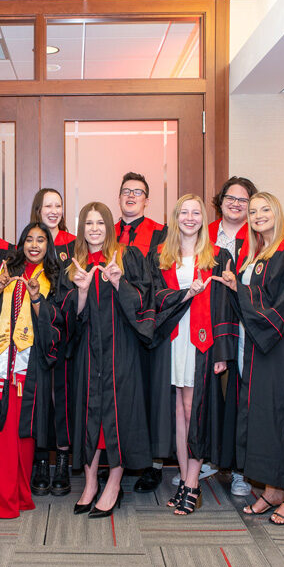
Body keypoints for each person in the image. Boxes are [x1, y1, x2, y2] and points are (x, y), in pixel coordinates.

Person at [214, 192, 284, 525]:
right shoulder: (253, 255)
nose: (257, 215)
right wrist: (233, 283)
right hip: (253, 349)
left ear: (277, 212)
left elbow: (282, 305)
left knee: (282, 422)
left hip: (281, 349)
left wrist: (237, 288)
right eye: (253, 211)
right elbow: (246, 302)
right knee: (261, 421)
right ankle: (272, 489)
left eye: (265, 209)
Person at [61, 201, 154, 519]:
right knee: (89, 415)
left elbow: (145, 301)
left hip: (121, 350)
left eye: (100, 223)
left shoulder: (129, 257)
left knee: (118, 415)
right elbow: (65, 318)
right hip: (88, 351)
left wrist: (118, 281)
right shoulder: (74, 265)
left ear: (110, 226)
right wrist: (83, 291)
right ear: (81, 228)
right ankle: (89, 484)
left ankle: (114, 483)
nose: (95, 229)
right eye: (88, 223)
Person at [0, 222, 62, 518]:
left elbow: (59, 321)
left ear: (49, 245)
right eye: (29, 239)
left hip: (30, 367)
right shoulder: (4, 268)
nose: (34, 245)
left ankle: (19, 493)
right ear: (21, 243)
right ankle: (1, 499)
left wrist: (35, 299)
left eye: (41, 240)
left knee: (23, 434)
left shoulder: (55, 278)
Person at [148, 195, 234, 515]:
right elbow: (155, 298)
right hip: (171, 340)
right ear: (175, 217)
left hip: (201, 343)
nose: (190, 217)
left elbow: (226, 306)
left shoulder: (218, 256)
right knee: (178, 412)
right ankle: (184, 479)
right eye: (184, 212)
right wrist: (186, 293)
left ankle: (193, 483)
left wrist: (223, 351)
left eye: (196, 212)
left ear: (203, 218)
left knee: (193, 409)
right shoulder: (161, 257)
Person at [114, 172, 168, 493]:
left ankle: (152, 464)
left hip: (149, 324)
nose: (131, 196)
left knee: (150, 393)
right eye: (126, 191)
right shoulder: (108, 232)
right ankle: (119, 459)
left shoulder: (161, 234)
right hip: (116, 324)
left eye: (138, 192)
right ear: (118, 198)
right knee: (121, 394)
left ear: (147, 200)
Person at [208, 176, 257, 497]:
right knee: (206, 399)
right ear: (220, 200)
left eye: (243, 200)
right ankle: (210, 459)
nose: (236, 204)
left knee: (240, 399)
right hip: (204, 325)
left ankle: (242, 469)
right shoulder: (204, 232)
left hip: (243, 329)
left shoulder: (258, 237)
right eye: (231, 198)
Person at [28, 188, 76, 496]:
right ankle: (40, 462)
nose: (54, 210)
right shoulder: (30, 243)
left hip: (65, 333)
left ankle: (62, 462)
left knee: (62, 400)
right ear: (37, 209)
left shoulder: (74, 245)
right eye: (48, 205)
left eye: (58, 205)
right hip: (32, 337)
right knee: (38, 399)